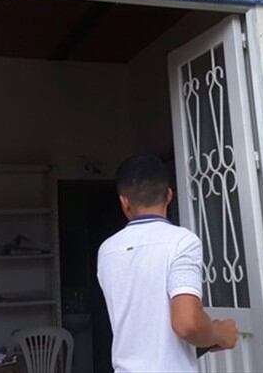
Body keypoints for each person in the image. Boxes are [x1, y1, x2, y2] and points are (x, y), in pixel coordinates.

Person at [97, 154, 239, 372]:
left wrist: (204, 340)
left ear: (124, 201)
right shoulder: (181, 242)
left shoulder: (108, 250)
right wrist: (220, 333)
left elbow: (145, 328)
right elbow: (187, 324)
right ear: (169, 195)